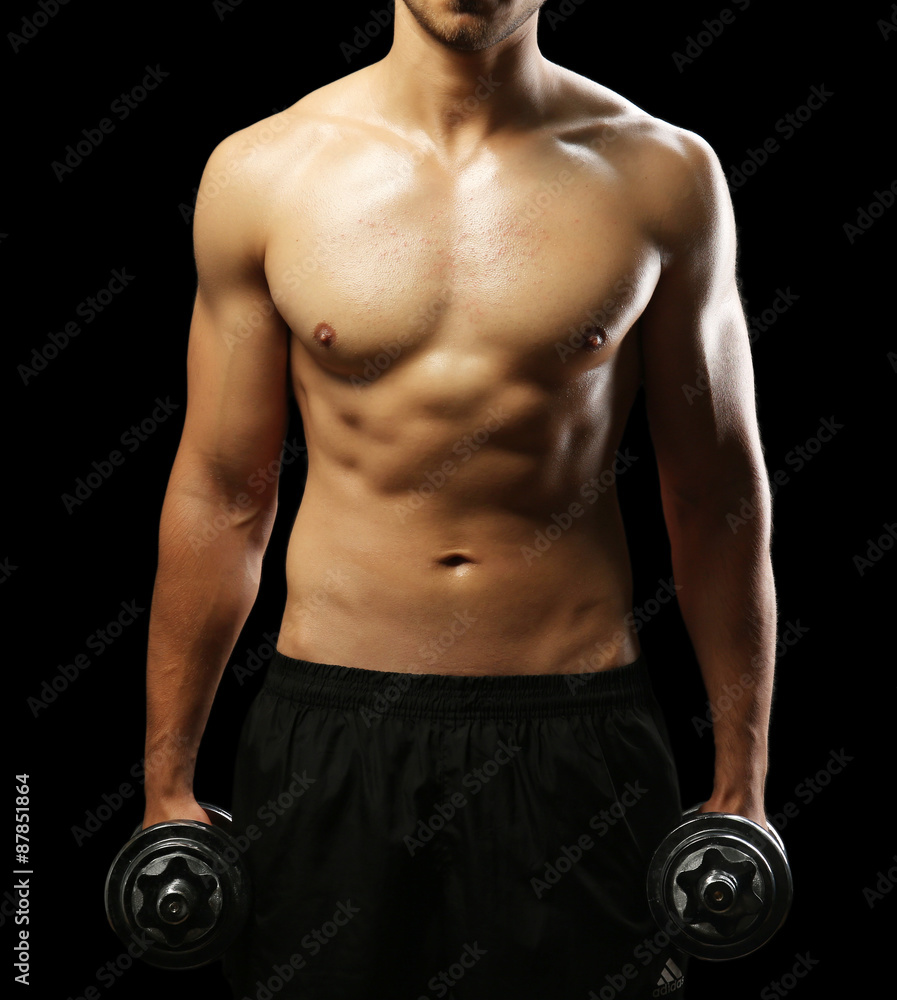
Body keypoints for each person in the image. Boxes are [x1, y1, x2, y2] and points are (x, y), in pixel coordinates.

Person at [141, 2, 777, 997]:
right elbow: (223, 495)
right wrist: (166, 780)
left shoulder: (662, 175)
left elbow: (716, 493)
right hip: (332, 737)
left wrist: (743, 782)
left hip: (575, 740)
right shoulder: (265, 173)